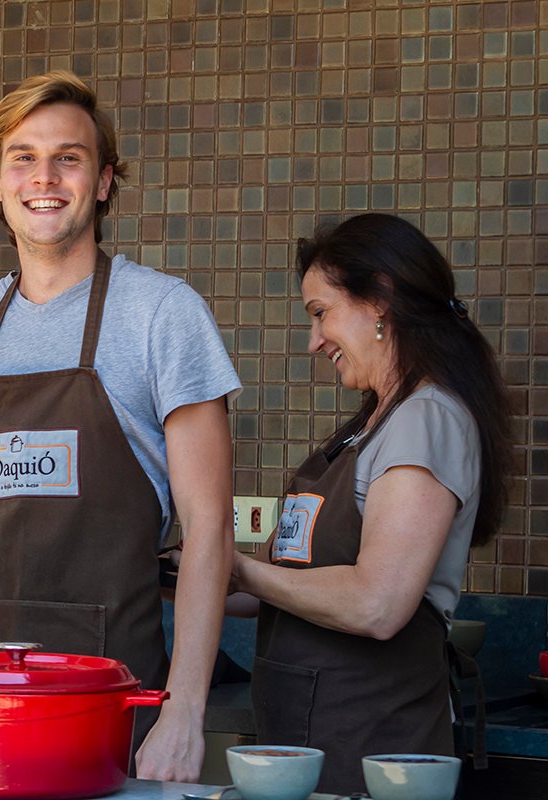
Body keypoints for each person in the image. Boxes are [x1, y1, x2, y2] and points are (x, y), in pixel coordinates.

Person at [0, 70, 241, 782]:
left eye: (69, 157)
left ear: (105, 180)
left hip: (115, 708)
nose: (43, 177)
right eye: (23, 156)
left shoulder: (162, 316)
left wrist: (182, 712)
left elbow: (210, 527)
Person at [227, 213, 513, 794]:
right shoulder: (368, 426)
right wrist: (186, 572)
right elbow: (298, 583)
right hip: (305, 740)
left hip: (375, 749)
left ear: (379, 298)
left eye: (320, 313)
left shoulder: (425, 419)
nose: (314, 341)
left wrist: (241, 570)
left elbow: (376, 604)